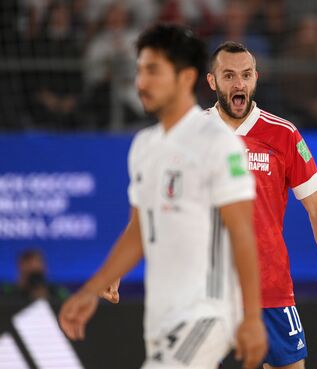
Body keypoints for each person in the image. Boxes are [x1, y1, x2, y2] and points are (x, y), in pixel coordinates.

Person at [58, 24, 267, 369]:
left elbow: (242, 233)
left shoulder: (217, 143)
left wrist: (252, 317)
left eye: (153, 71)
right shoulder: (145, 147)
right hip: (162, 316)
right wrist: (93, 287)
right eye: (140, 70)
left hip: (208, 312)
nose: (141, 81)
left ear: (185, 78)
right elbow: (140, 230)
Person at [206, 41, 317, 369]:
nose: (238, 83)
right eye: (228, 75)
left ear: (256, 78)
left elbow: (316, 207)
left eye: (246, 75)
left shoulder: (284, 134)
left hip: (270, 289)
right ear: (212, 81)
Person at [1, 248, 69, 302]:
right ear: (20, 269)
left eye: (38, 275)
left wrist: (46, 298)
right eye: (31, 275)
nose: (35, 280)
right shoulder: (7, 293)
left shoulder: (58, 293)